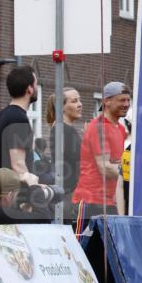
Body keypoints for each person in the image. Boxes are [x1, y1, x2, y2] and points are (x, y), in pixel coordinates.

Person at [72, 81, 129, 219]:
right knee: (84, 242)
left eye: (128, 100)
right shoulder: (98, 127)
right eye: (122, 100)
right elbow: (105, 167)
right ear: (107, 101)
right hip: (90, 201)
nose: (126, 104)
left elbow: (118, 164)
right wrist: (132, 179)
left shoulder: (121, 129)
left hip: (110, 201)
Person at [0, 65, 39, 187]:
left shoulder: (4, 114)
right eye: (36, 84)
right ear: (29, 89)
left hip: (2, 193)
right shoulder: (18, 118)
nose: (37, 88)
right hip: (14, 198)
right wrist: (34, 188)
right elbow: (18, 165)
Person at [46, 86, 83, 213]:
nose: (79, 104)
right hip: (69, 195)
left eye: (79, 100)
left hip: (72, 193)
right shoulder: (61, 129)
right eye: (74, 101)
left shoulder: (66, 129)